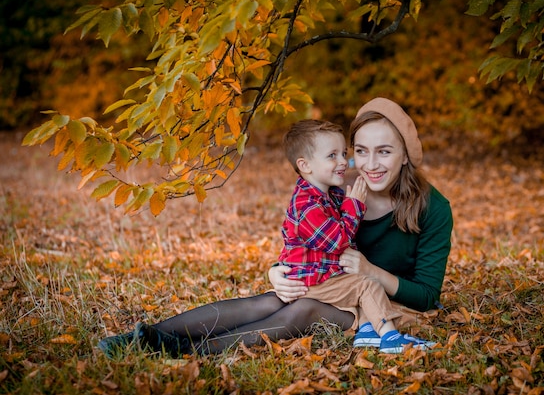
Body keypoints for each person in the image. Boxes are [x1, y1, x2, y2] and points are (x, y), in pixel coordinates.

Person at [97, 97, 453, 358]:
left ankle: (192, 351)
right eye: (360, 151)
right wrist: (277, 271)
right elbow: (306, 237)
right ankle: (146, 338)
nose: (370, 165)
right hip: (336, 288)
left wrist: (371, 271)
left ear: (405, 154)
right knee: (271, 301)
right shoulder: (344, 189)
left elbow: (427, 296)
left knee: (302, 311)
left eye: (385, 152)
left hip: (386, 307)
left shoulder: (433, 208)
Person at [276, 119, 433, 353]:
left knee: (362, 286)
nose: (343, 162)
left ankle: (368, 331)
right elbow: (337, 240)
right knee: (366, 285)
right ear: (305, 165)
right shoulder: (307, 205)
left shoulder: (328, 194)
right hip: (312, 282)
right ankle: (390, 337)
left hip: (321, 276)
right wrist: (354, 206)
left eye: (343, 153)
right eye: (332, 156)